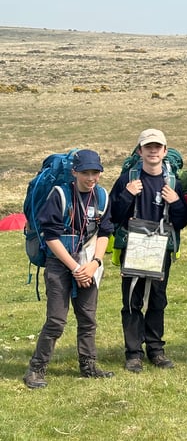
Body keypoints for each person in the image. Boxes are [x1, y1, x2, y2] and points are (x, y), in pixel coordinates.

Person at [23, 149, 114, 388]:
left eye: (95, 172)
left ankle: (89, 365)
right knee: (56, 320)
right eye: (85, 172)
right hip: (60, 263)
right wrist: (75, 268)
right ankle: (36, 369)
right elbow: (51, 237)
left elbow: (105, 232)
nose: (91, 178)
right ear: (74, 172)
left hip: (88, 262)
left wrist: (94, 264)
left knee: (88, 319)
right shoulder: (59, 195)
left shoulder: (102, 196)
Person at [110, 128, 187, 373]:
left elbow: (182, 222)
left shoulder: (173, 181)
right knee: (132, 300)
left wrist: (175, 202)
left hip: (160, 247)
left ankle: (155, 350)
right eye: (148, 147)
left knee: (157, 299)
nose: (153, 151)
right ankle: (133, 353)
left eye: (157, 147)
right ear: (140, 151)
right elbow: (112, 215)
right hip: (133, 245)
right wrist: (127, 195)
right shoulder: (127, 179)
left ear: (165, 151)